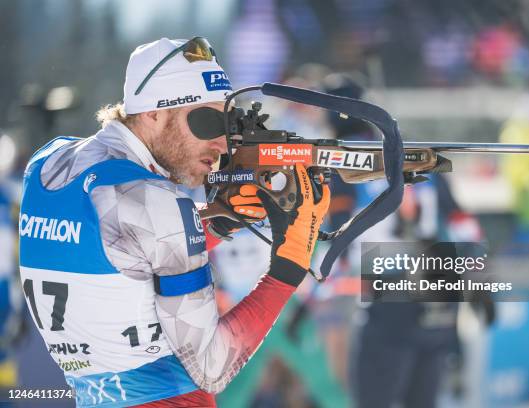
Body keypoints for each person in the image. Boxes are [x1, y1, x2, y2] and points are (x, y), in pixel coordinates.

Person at [18, 37, 329, 407]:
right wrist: (290, 264)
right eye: (206, 120)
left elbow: (126, 252)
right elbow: (213, 367)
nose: (221, 143)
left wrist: (217, 222)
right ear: (152, 113)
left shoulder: (50, 162)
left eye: (227, 123)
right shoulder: (155, 200)